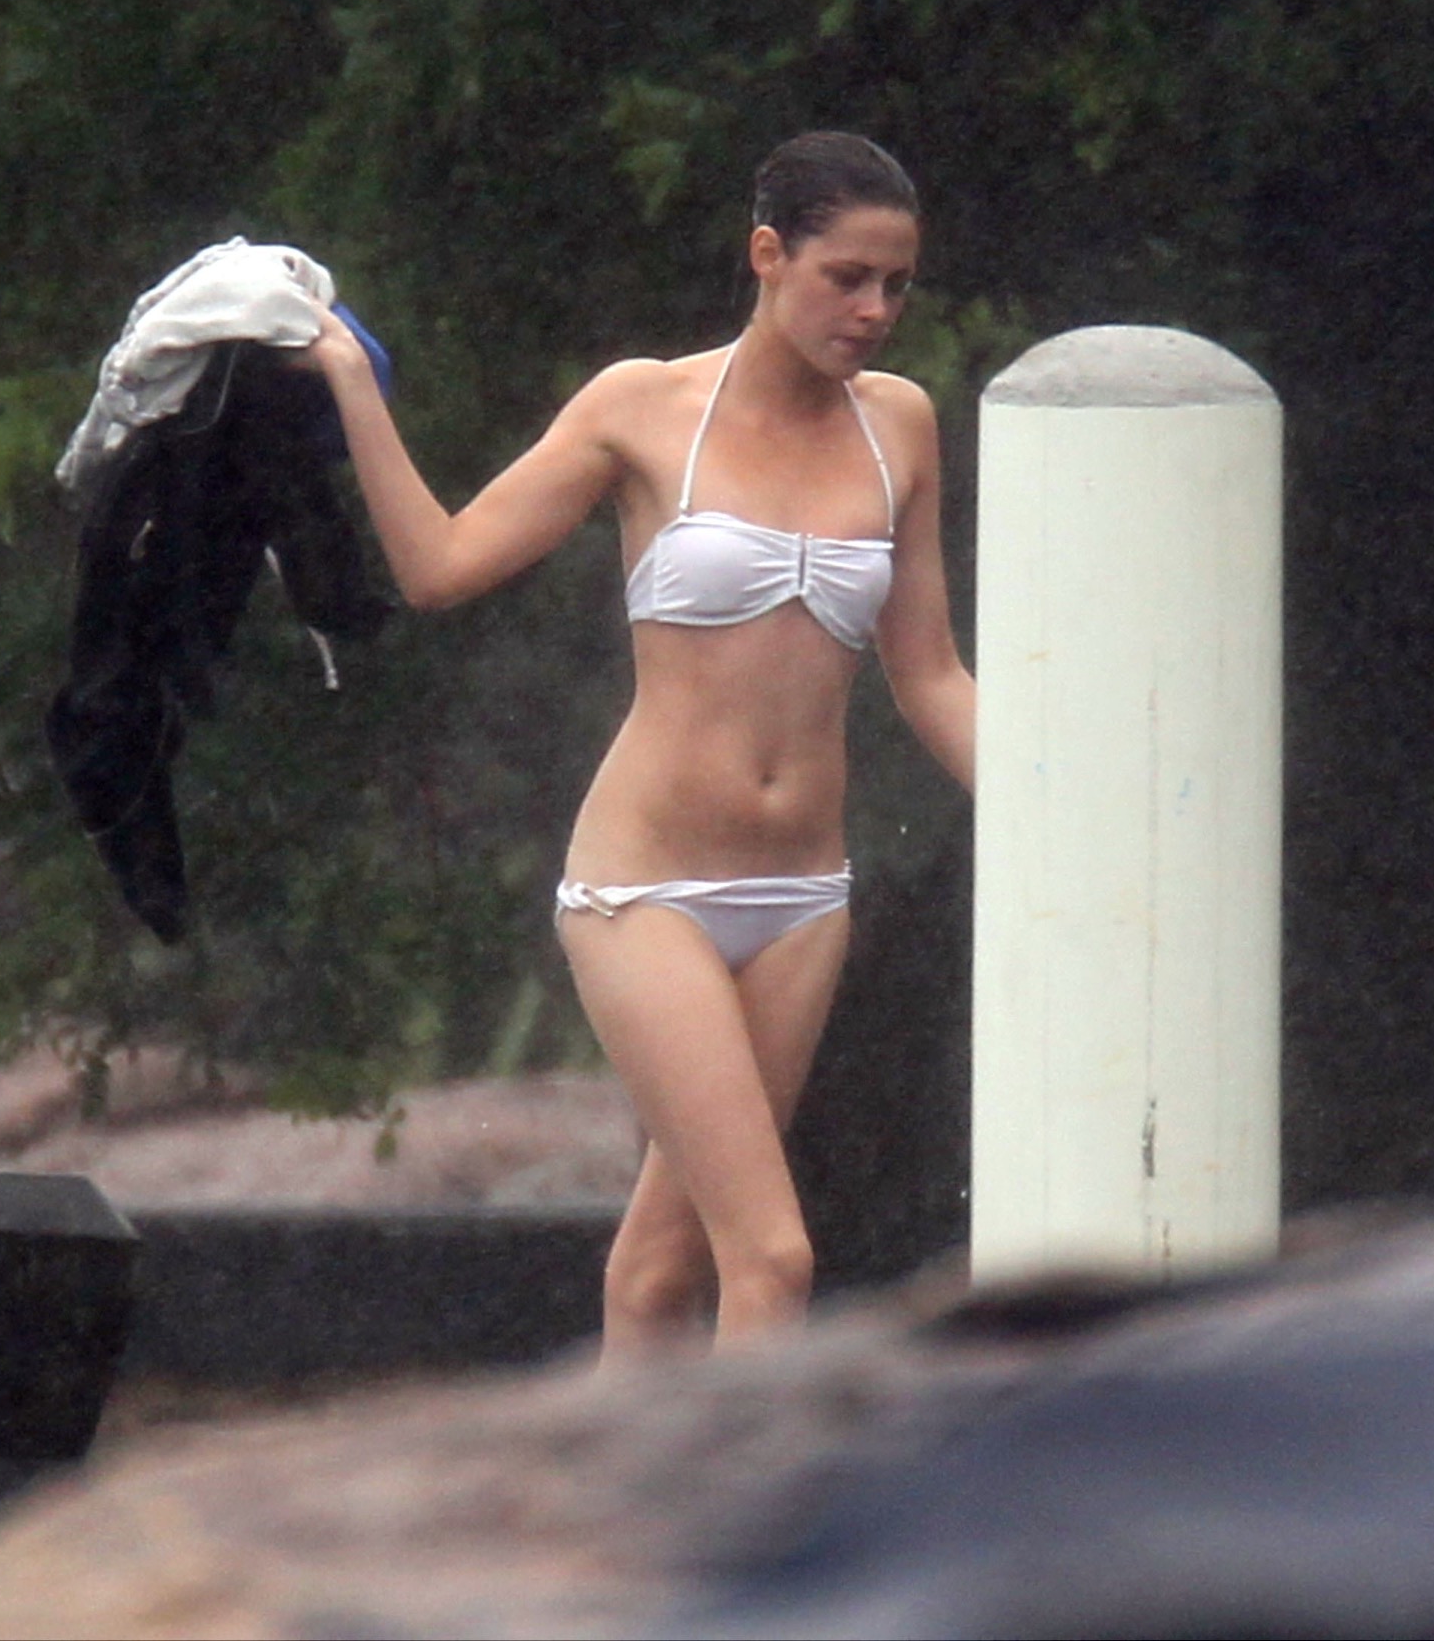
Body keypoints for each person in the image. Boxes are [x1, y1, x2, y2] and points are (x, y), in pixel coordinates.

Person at [298, 131, 976, 1357]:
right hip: (646, 889)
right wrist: (351, 384)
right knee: (773, 1257)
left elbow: (929, 675)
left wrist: (1054, 810)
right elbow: (440, 566)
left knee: (662, 1271)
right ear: (768, 256)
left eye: (897, 285)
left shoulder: (901, 426)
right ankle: (756, 1495)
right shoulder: (642, 409)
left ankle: (611, 1488)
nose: (874, 311)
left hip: (803, 897)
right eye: (846, 278)